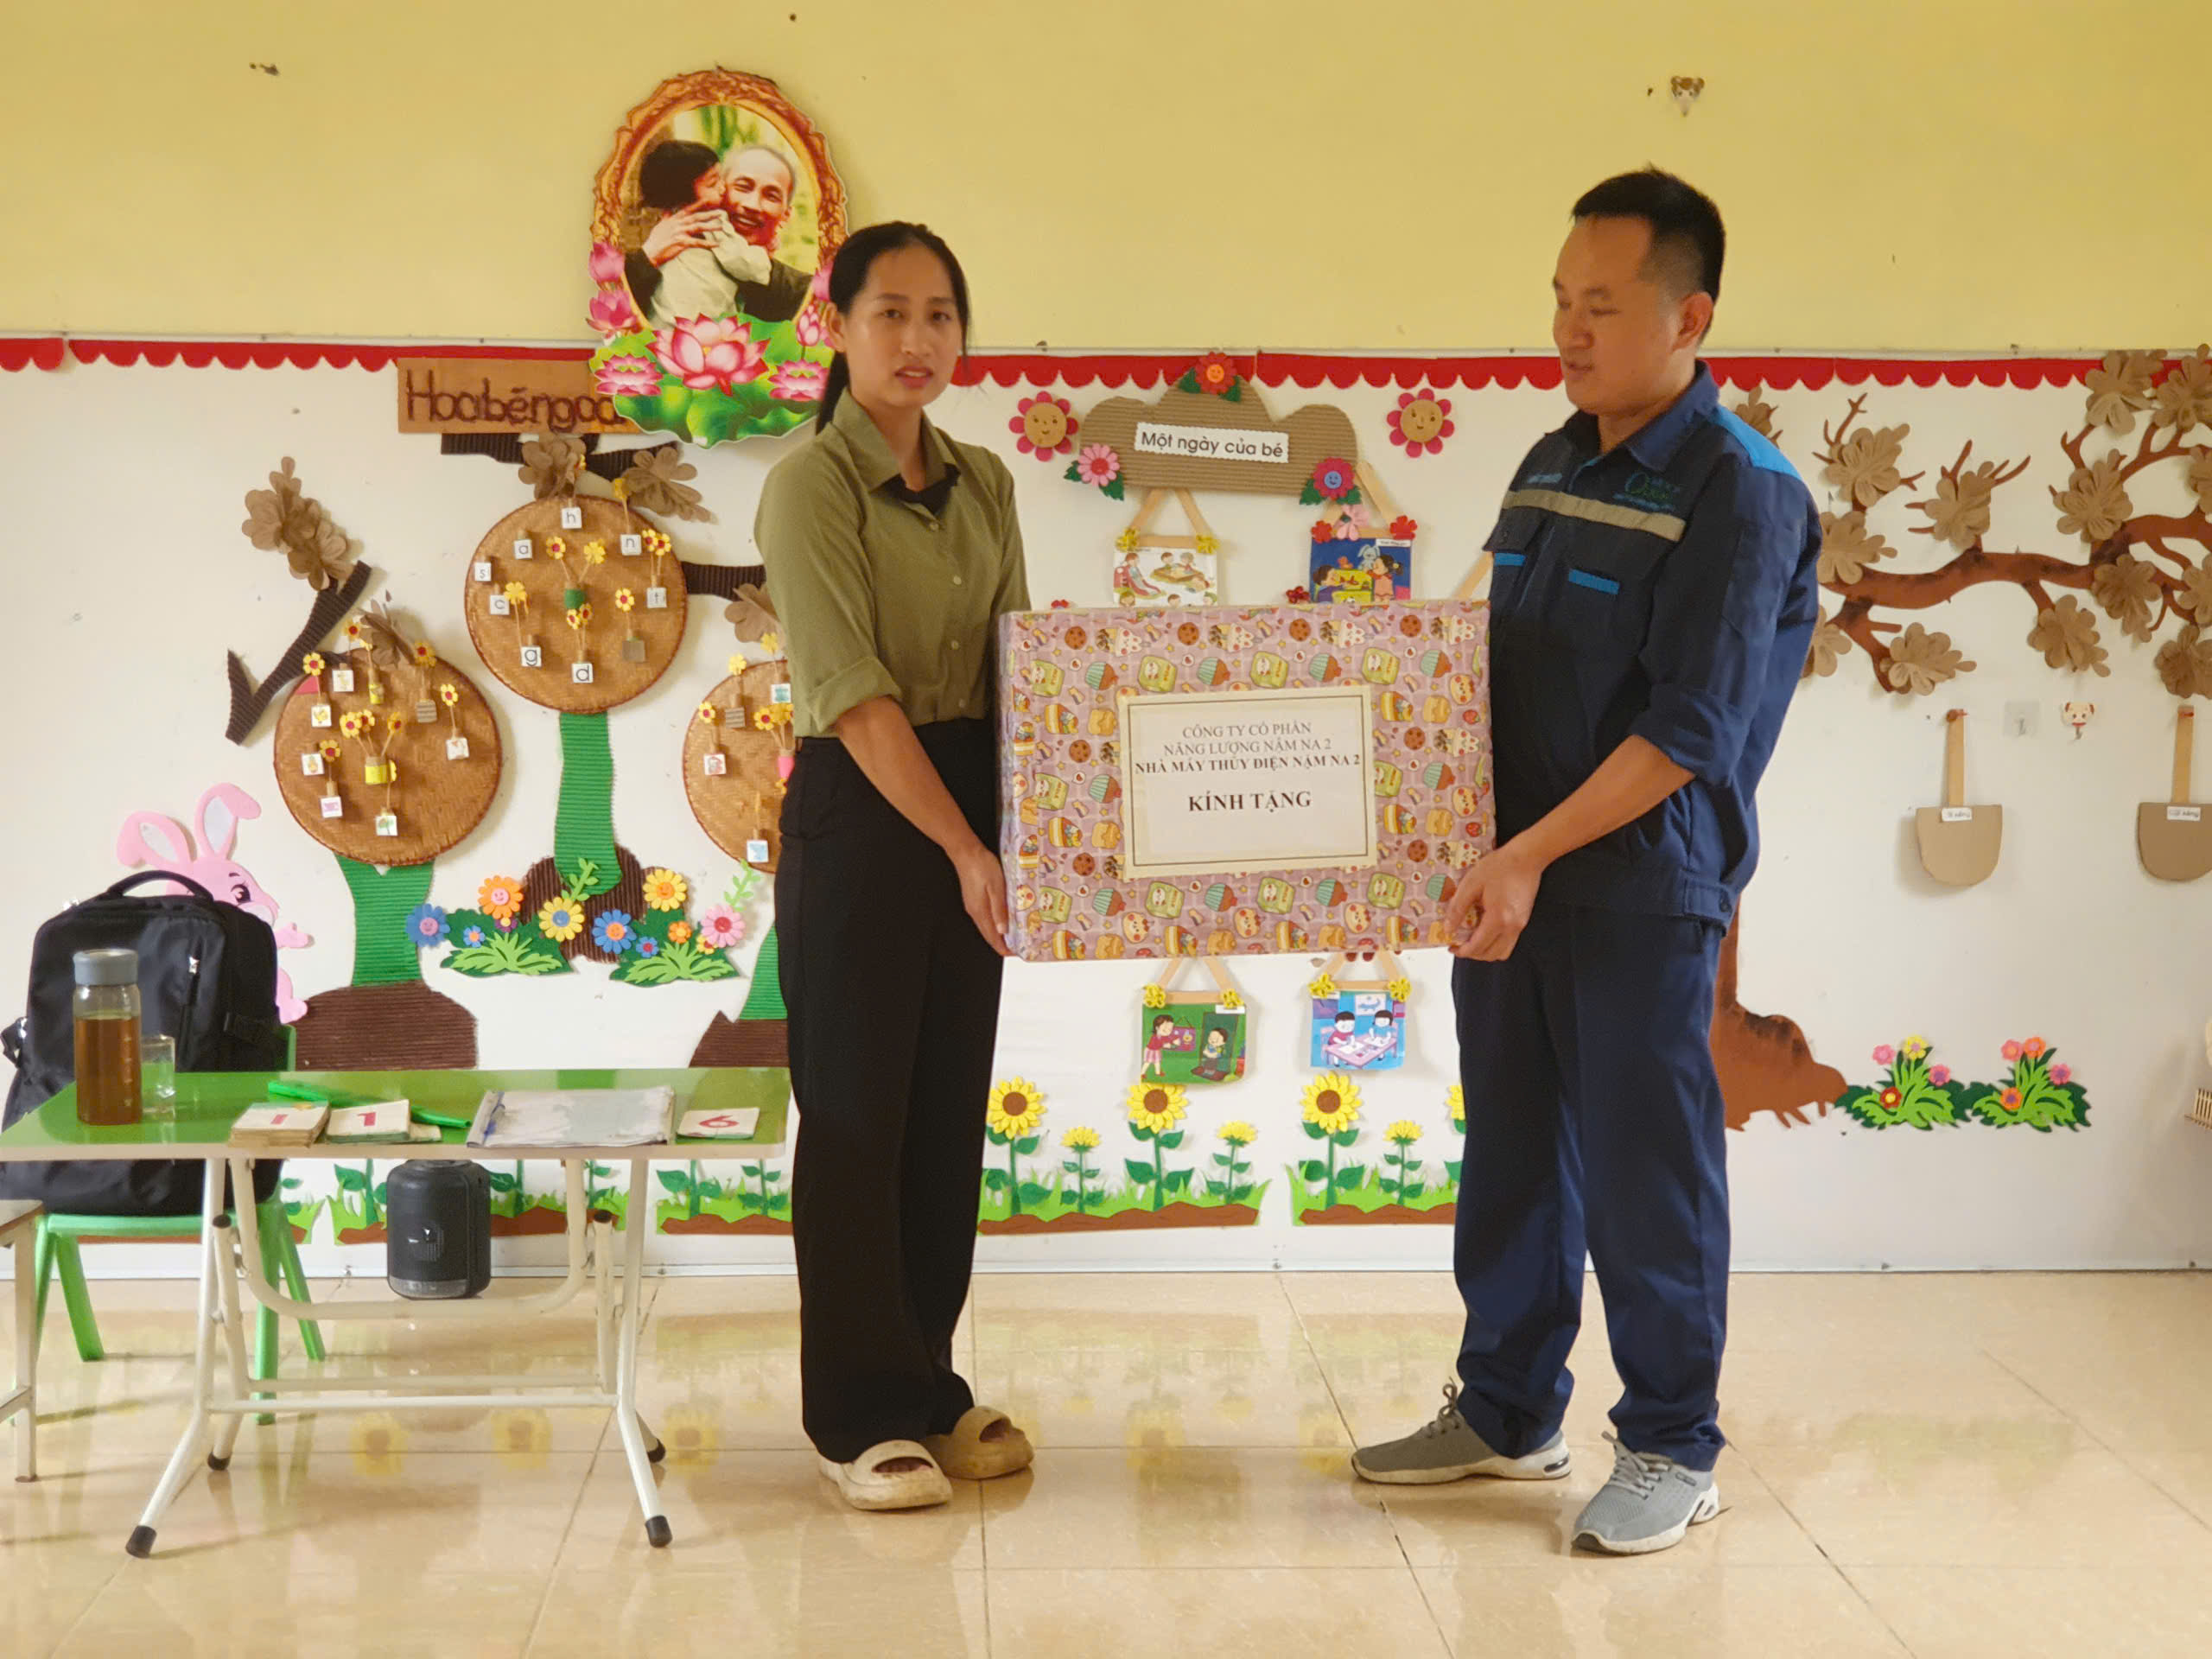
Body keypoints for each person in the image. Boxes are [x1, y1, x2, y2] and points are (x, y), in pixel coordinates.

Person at [1351, 169, 1821, 1556]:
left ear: (1691, 317)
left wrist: (1531, 854)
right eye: (1561, 299)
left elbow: (1688, 730)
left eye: (1602, 305)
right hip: (1511, 880)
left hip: (1638, 888)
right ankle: (1508, 1409)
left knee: (1642, 1171)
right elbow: (1482, 667)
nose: (1569, 328)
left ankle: (1674, 1443)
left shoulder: (1741, 489)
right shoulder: (1553, 461)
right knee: (1512, 1153)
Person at [755, 221, 1034, 1515]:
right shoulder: (808, 485)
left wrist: (1051, 830)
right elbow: (855, 694)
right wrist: (964, 845)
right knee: (858, 1116)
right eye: (890, 314)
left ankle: (926, 1379)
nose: (918, 340)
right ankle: (856, 1415)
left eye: (940, 315)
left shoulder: (985, 480)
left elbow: (1019, 667)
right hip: (866, 814)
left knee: (942, 1109)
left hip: (973, 797)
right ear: (839, 328)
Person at [627, 138, 811, 326]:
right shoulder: (705, 224)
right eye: (742, 187)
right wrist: (646, 259)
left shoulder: (803, 292)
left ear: (786, 215)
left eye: (771, 196)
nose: (752, 205)